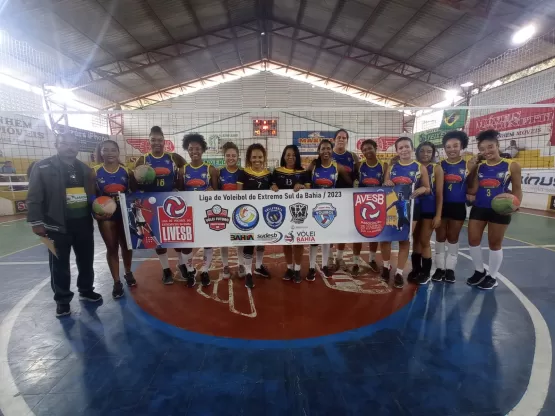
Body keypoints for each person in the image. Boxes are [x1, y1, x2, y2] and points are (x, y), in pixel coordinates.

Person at [26, 132, 102, 317]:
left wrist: (99, 208)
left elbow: (91, 194)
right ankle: (62, 300)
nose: (70, 147)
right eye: (65, 143)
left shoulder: (85, 169)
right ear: (56, 145)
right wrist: (36, 223)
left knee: (86, 260)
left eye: (73, 144)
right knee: (58, 265)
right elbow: (34, 196)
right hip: (55, 226)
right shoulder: (42, 166)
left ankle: (85, 290)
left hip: (83, 223)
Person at [466, 129, 522, 290]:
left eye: (490, 147)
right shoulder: (480, 166)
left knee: (494, 243)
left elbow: (517, 188)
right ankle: (479, 271)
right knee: (473, 240)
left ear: (497, 145)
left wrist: (515, 204)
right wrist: (473, 168)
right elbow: (473, 189)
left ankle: (493, 276)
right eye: (482, 149)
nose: (487, 151)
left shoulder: (512, 165)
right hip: (479, 207)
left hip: (500, 209)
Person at [134, 126, 186, 285]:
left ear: (164, 141)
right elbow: (135, 182)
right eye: (153, 140)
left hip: (170, 203)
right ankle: (165, 269)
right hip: (151, 204)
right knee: (158, 240)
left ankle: (182, 264)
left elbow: (186, 171)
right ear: (149, 142)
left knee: (176, 238)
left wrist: (180, 185)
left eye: (160, 140)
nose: (157, 143)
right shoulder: (142, 160)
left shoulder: (174, 158)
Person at [382, 137, 430, 289]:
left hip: (412, 208)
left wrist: (422, 189)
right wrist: (387, 182)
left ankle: (399, 272)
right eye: (401, 148)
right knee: (386, 239)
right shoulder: (392, 167)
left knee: (404, 240)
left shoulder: (419, 167)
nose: (404, 150)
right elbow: (385, 185)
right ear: (397, 151)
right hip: (393, 206)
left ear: (412, 148)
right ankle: (385, 267)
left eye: (407, 147)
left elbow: (428, 188)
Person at [93, 140, 136, 299]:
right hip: (106, 215)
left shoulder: (126, 172)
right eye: (106, 150)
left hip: (124, 213)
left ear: (118, 152)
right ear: (101, 152)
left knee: (127, 246)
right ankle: (116, 281)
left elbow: (134, 193)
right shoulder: (95, 171)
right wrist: (95, 212)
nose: (110, 153)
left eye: (113, 150)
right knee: (112, 247)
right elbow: (91, 195)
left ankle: (128, 272)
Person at [432, 131, 476, 283]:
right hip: (441, 206)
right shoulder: (439, 165)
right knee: (440, 237)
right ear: (444, 148)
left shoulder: (468, 164)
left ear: (461, 146)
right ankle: (439, 268)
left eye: (455, 146)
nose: (452, 149)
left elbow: (471, 186)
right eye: (448, 146)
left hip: (458, 206)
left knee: (453, 237)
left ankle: (450, 269)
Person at [307, 139, 352, 279]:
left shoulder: (337, 166)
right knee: (314, 238)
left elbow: (350, 181)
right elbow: (304, 178)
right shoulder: (314, 166)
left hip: (330, 207)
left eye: (328, 148)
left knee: (327, 237)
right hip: (314, 207)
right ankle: (311, 267)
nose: (326, 151)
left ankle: (325, 266)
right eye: (323, 149)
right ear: (319, 151)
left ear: (331, 151)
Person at [178, 133, 219, 288]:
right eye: (190, 149)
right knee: (186, 244)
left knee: (208, 243)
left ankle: (205, 270)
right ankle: (190, 271)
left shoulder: (211, 170)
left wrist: (213, 192)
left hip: (206, 213)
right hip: (188, 214)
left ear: (203, 150)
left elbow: (217, 193)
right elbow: (179, 192)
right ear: (187, 150)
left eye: (197, 148)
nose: (194, 151)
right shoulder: (182, 170)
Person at [271, 145, 311, 283]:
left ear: (297, 156)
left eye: (294, 155)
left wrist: (302, 186)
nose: (291, 157)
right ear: (283, 156)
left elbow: (309, 190)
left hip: (298, 211)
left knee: (298, 241)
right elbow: (270, 186)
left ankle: (298, 269)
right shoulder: (276, 171)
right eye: (288, 154)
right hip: (282, 211)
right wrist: (273, 187)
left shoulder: (303, 172)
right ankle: (289, 268)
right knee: (286, 241)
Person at [237, 143, 273, 289]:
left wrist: (274, 187)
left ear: (264, 158)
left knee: (261, 241)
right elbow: (238, 195)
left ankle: (258, 266)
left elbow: (273, 191)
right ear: (249, 158)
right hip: (248, 216)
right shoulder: (243, 173)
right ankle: (248, 273)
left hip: (263, 214)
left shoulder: (268, 175)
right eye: (254, 157)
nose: (257, 160)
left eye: (260, 157)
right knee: (249, 242)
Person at [408, 141, 444, 285]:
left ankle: (426, 272)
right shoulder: (413, 166)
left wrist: (438, 215)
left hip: (429, 209)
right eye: (422, 151)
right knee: (415, 240)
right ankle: (416, 269)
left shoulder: (437, 169)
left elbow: (440, 194)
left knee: (424, 240)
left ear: (433, 153)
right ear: (417, 152)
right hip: (414, 207)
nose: (425, 154)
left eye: (429, 151)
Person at [351, 139, 387, 275]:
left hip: (377, 204)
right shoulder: (359, 166)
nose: (367, 151)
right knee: (358, 234)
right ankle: (355, 262)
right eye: (364, 149)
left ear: (376, 148)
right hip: (360, 204)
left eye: (369, 148)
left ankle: (372, 259)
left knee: (375, 233)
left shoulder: (383, 166)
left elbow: (387, 184)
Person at [331, 129, 360, 271]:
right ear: (334, 139)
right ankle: (328, 257)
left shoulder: (352, 156)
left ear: (347, 140)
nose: (341, 139)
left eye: (344, 137)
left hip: (347, 197)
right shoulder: (327, 155)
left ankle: (339, 257)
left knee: (343, 229)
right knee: (329, 227)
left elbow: (358, 177)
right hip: (330, 197)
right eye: (339, 137)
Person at [218, 142, 245, 279]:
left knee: (239, 239)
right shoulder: (219, 172)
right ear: (224, 156)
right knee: (224, 240)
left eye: (233, 155)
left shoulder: (243, 173)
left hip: (239, 212)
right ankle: (225, 265)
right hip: (224, 211)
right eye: (228, 155)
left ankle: (241, 264)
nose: (231, 158)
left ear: (238, 157)